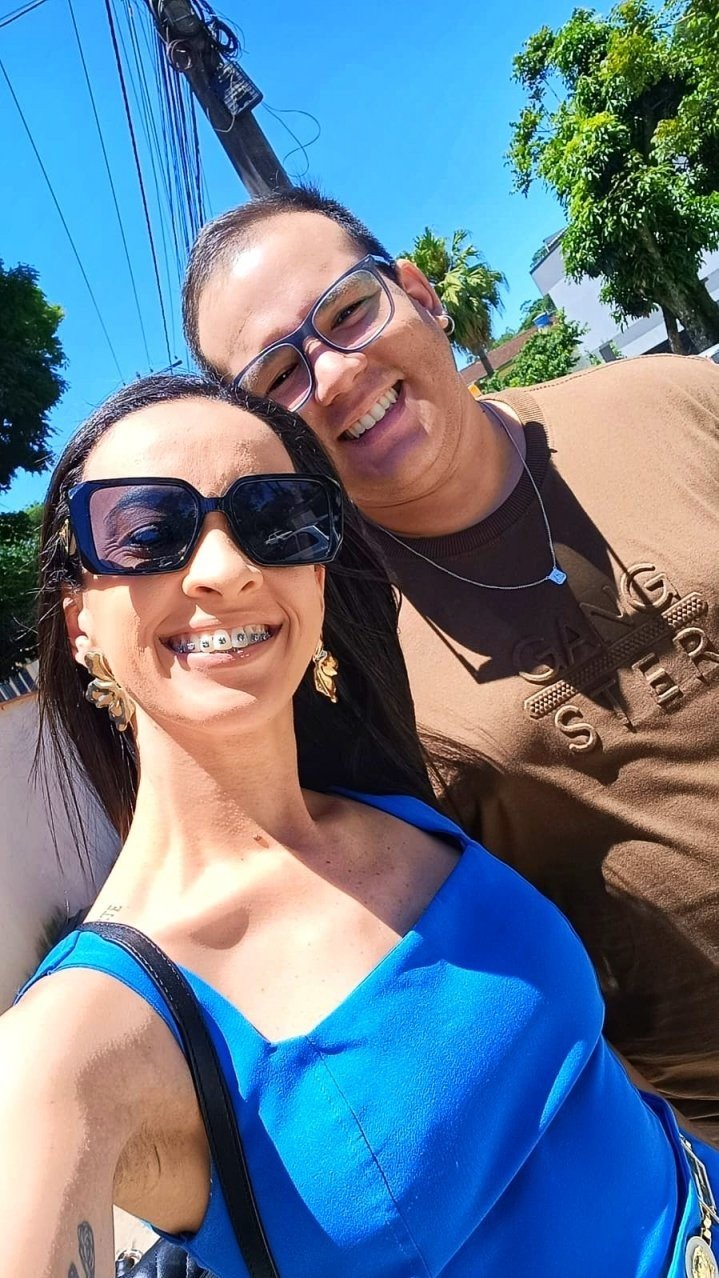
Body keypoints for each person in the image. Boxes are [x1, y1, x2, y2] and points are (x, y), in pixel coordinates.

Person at [5, 372, 719, 1278]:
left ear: (314, 575)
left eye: (275, 519)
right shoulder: (78, 1041)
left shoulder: (399, 793)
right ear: (79, 621)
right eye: (147, 533)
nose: (225, 569)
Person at [182, 185, 719, 1141]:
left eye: (348, 310)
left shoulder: (673, 401)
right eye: (279, 375)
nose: (334, 374)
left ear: (420, 295)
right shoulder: (336, 663)